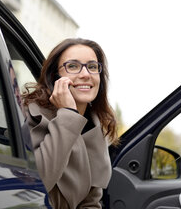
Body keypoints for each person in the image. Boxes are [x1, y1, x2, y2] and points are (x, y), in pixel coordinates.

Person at [22, 38, 118, 209]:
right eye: (72, 66)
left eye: (92, 67)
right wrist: (68, 115)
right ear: (55, 76)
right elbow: (37, 184)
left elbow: (91, 203)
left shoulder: (96, 128)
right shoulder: (31, 114)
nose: (85, 74)